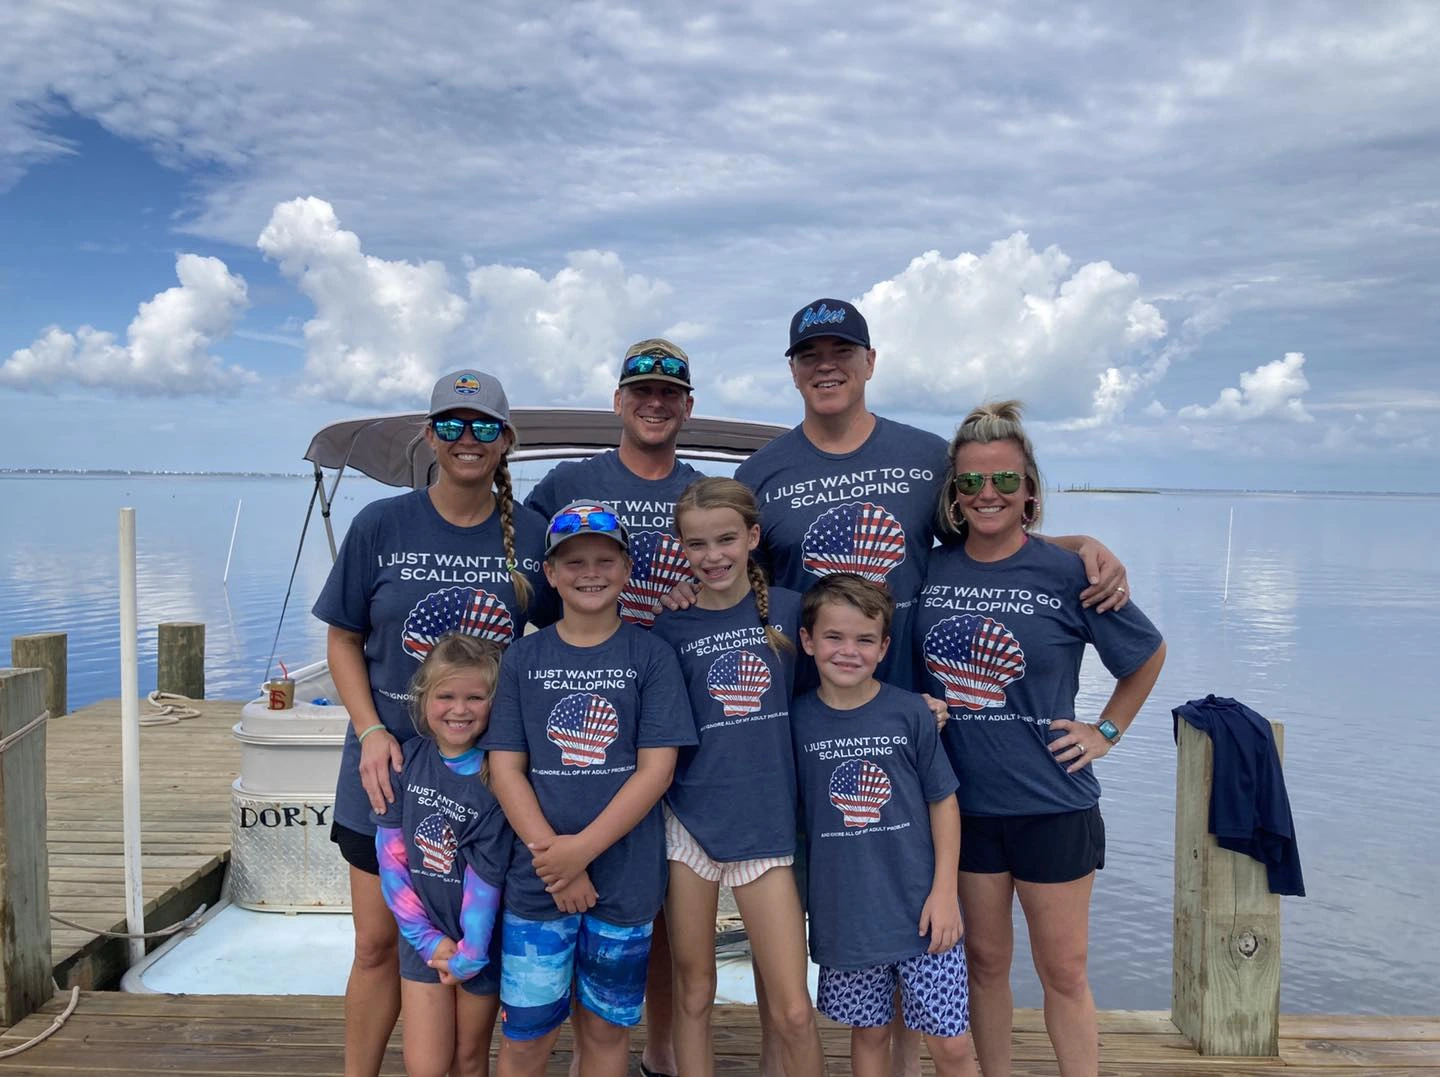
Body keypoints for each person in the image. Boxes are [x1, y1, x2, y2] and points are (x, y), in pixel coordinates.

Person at [733, 298, 1130, 1074]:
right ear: (791, 369)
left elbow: (989, 524)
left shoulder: (924, 459)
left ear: (871, 362)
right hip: (815, 734)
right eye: (809, 352)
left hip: (926, 730)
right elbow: (732, 578)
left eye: (842, 349)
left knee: (930, 935)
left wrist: (1075, 545)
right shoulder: (761, 473)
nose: (827, 364)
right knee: (844, 936)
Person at [915, 401, 1166, 1077]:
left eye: (1003, 480)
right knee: (986, 964)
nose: (987, 494)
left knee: (1064, 969)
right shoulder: (929, 571)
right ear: (954, 493)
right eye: (970, 482)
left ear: (1029, 488)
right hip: (962, 808)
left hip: (1054, 801)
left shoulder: (1069, 573)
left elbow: (1145, 654)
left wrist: (1105, 730)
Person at [313, 369, 552, 1077]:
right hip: (382, 773)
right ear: (430, 436)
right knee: (379, 944)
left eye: (483, 425)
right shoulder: (380, 525)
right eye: (451, 424)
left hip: (481, 785)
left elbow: (579, 630)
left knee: (469, 943)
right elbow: (342, 637)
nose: (467, 438)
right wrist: (372, 729)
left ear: (507, 440)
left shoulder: (532, 537)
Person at [523, 337, 701, 1076]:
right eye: (641, 391)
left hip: (680, 712)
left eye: (669, 392)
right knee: (573, 913)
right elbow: (518, 567)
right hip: (580, 718)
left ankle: (652, 1053)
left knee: (650, 908)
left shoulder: (700, 493)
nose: (654, 403)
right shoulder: (566, 481)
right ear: (619, 401)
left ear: (688, 405)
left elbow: (752, 579)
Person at [483, 502, 697, 1077]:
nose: (590, 572)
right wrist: (558, 860)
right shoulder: (522, 657)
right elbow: (505, 769)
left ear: (627, 570)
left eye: (605, 559)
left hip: (625, 884)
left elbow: (656, 770)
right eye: (572, 562)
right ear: (550, 574)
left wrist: (582, 852)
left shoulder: (651, 656)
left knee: (606, 1034)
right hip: (538, 883)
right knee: (528, 1035)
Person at [649, 477, 825, 1077]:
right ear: (681, 549)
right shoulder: (668, 628)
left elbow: (832, 692)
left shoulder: (793, 608)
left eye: (726, 539)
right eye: (696, 545)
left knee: (794, 1009)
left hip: (768, 828)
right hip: (688, 826)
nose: (713, 556)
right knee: (693, 993)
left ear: (752, 536)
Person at [792, 574, 979, 1077]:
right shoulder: (795, 722)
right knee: (869, 1035)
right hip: (847, 915)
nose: (848, 651)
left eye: (864, 640)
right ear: (808, 641)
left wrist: (945, 894)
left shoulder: (909, 714)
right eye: (834, 637)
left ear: (883, 647)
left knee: (952, 1045)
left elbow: (944, 803)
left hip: (923, 909)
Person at [374, 634, 511, 1077]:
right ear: (424, 698)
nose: (460, 709)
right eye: (446, 695)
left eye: (476, 697)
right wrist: (427, 939)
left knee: (470, 1061)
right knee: (426, 1065)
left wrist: (470, 952)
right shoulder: (406, 762)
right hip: (423, 941)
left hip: (481, 943)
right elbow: (392, 861)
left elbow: (485, 877)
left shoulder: (499, 776)